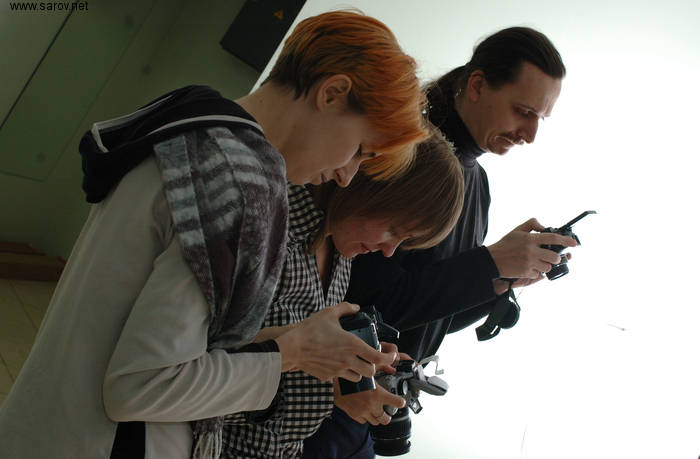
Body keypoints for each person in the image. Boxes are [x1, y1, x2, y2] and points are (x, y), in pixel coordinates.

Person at [0, 10, 428, 459]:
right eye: (360, 150)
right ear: (332, 93)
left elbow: (148, 337)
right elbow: (141, 386)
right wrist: (293, 352)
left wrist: (299, 342)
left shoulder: (188, 131)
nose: (347, 175)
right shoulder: (240, 182)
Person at [304, 26, 579, 458]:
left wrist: (497, 283)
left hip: (374, 401)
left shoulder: (478, 184)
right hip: (324, 391)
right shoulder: (405, 151)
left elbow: (434, 322)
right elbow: (362, 301)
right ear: (477, 85)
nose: (530, 134)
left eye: (538, 119)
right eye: (523, 111)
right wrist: (488, 264)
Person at [220, 128, 465, 458]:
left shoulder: (339, 253)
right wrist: (329, 383)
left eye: (405, 242)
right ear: (370, 187)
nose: (389, 251)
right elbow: (188, 376)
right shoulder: (269, 229)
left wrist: (352, 368)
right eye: (394, 230)